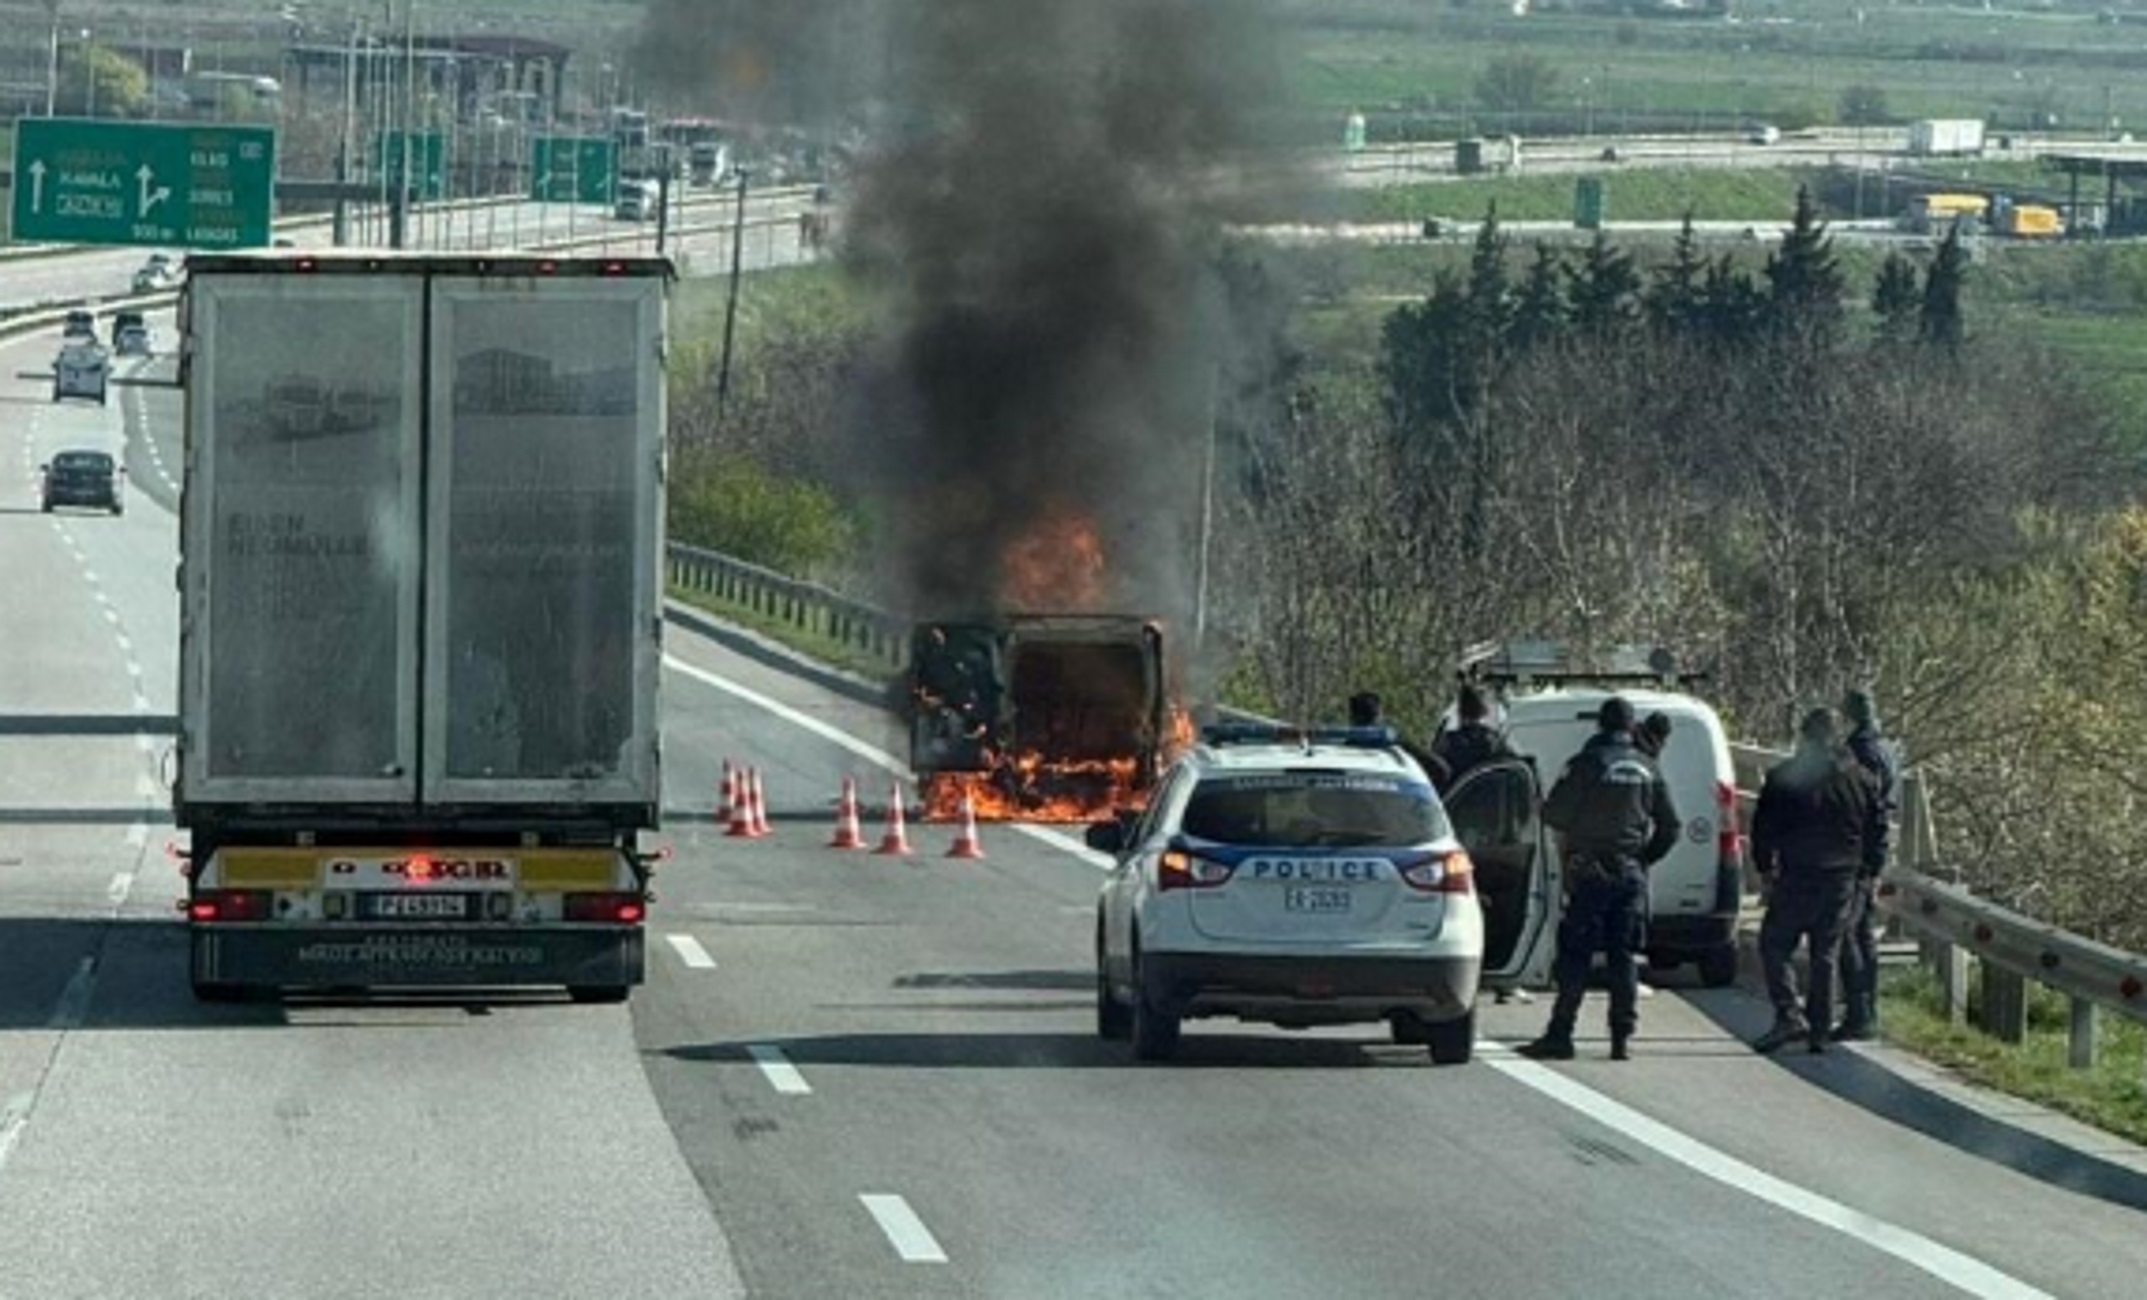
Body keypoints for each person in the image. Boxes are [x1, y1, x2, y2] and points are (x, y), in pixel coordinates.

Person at [1519, 696, 1680, 1063]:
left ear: (1600, 725)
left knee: (1576, 954)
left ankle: (1561, 1033)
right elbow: (1671, 826)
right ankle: (1621, 1037)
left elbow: (1555, 814)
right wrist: (1642, 858)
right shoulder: (1647, 767)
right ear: (1631, 726)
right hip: (1629, 873)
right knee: (1623, 956)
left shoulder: (1587, 763)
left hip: (1590, 872)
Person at [1750, 707, 1886, 1056]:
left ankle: (1788, 1014)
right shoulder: (1861, 779)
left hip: (1798, 874)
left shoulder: (1785, 778)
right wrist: (1870, 870)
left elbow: (1763, 829)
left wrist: (1765, 868)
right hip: (1843, 877)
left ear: (1805, 737)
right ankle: (1820, 1031)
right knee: (1825, 951)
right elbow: (1878, 829)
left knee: (1775, 944)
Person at [1834, 689, 1897, 1041]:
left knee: (1848, 932)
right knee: (1863, 934)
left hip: (1858, 852)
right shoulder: (1888, 750)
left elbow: (1867, 808)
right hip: (1874, 850)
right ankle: (1867, 1008)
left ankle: (1859, 1013)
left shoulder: (1861, 753)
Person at [1349, 690, 1450, 790]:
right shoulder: (1398, 749)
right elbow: (1441, 770)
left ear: (1353, 718)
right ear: (1378, 716)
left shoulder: (1343, 752)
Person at [1431, 683, 1512, 788]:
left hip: (1457, 801)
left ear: (1460, 712)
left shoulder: (1449, 742)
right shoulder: (1494, 741)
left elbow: (1436, 772)